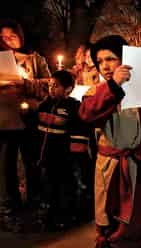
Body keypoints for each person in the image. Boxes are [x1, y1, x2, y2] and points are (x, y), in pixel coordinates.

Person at [79, 35, 141, 248]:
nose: (104, 65)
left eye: (111, 59)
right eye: (100, 60)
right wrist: (113, 87)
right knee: (113, 216)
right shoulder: (96, 91)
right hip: (113, 166)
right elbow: (87, 113)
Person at [0, 19, 51, 227]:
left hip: (29, 117)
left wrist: (25, 84)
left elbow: (48, 86)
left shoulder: (34, 57)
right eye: (3, 37)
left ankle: (36, 201)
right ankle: (10, 209)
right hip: (2, 117)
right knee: (6, 166)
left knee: (33, 162)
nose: (8, 40)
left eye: (12, 36)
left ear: (20, 36)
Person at [36, 70, 89, 229]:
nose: (51, 89)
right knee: (49, 184)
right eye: (50, 85)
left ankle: (69, 214)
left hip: (64, 155)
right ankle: (50, 215)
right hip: (47, 154)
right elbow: (37, 126)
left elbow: (79, 128)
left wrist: (77, 150)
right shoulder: (45, 104)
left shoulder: (73, 106)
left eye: (56, 86)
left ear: (68, 89)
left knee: (66, 185)